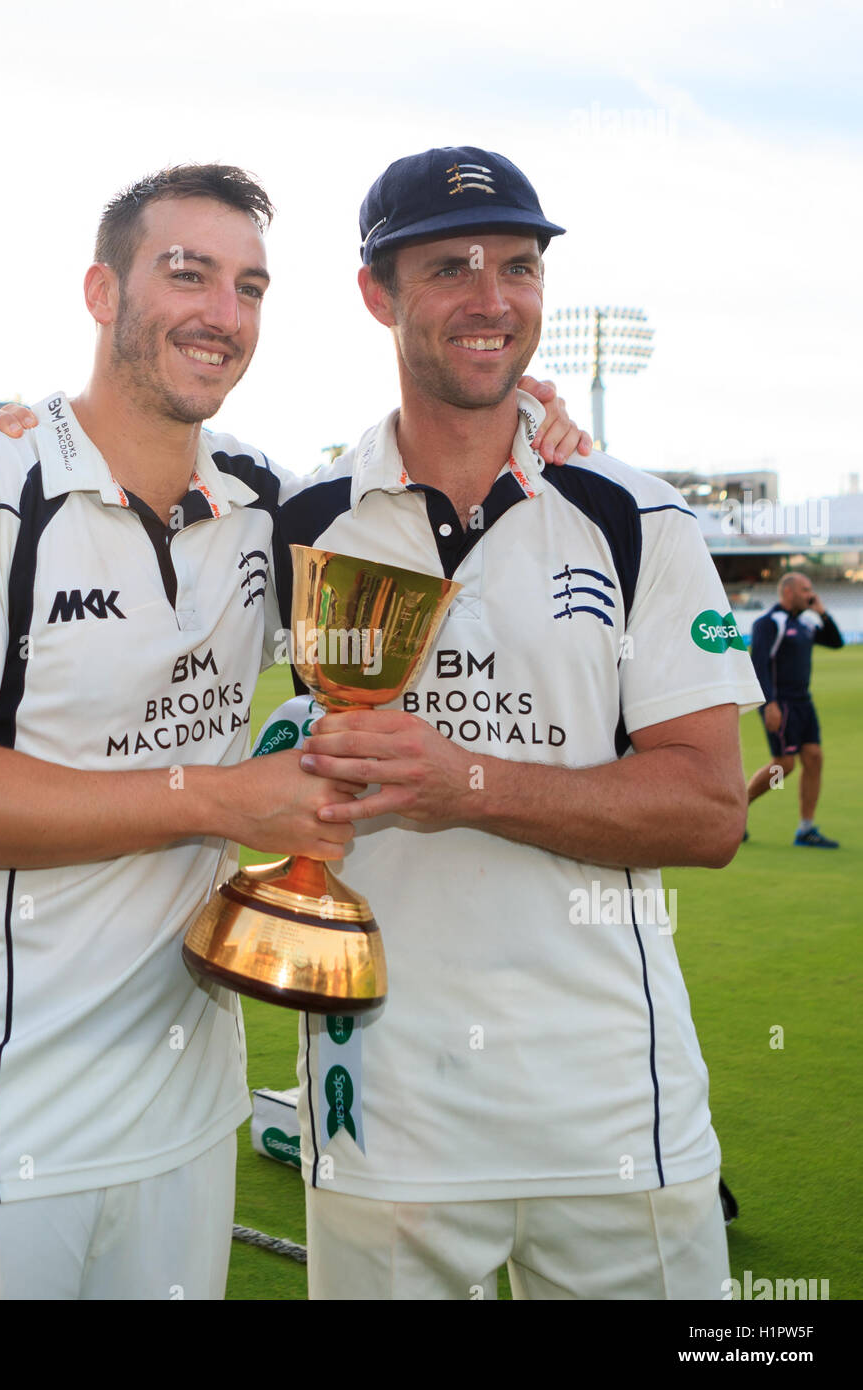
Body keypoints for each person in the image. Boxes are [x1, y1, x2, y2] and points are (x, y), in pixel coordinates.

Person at [0, 163, 370, 1302]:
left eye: (250, 286)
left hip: (182, 1112)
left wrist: (523, 408)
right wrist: (224, 800)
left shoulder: (265, 504)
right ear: (100, 291)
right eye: (187, 273)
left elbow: (419, 491)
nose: (222, 313)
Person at [282, 146, 765, 1299]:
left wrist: (469, 784)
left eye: (517, 265)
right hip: (380, 1108)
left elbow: (706, 811)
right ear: (375, 295)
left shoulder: (636, 515)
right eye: (448, 267)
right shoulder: (296, 521)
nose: (491, 298)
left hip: (610, 1113)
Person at [745, 571, 844, 847]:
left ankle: (806, 829)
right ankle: (737, 810)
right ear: (788, 592)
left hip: (804, 704)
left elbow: (836, 642)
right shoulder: (769, 623)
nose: (810, 594)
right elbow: (759, 665)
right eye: (805, 589)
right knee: (784, 766)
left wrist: (821, 611)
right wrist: (770, 704)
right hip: (781, 705)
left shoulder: (805, 624)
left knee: (813, 757)